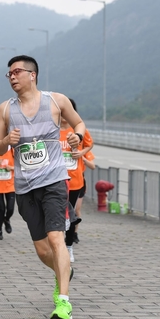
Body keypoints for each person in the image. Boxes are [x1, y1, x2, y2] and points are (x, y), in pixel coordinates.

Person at [0, 55, 85, 319]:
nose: (12, 77)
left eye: (17, 72)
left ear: (32, 75)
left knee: (56, 238)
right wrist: (7, 141)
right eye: (9, 74)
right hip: (25, 188)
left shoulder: (56, 101)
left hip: (54, 181)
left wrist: (76, 136)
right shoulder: (5, 110)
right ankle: (63, 272)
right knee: (43, 251)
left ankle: (63, 302)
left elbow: (79, 124)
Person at [59, 98, 93, 263]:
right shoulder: (52, 130)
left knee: (71, 215)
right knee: (58, 214)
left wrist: (81, 153)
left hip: (75, 180)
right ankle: (58, 246)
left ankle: (69, 246)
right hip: (56, 180)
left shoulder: (78, 129)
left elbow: (89, 144)